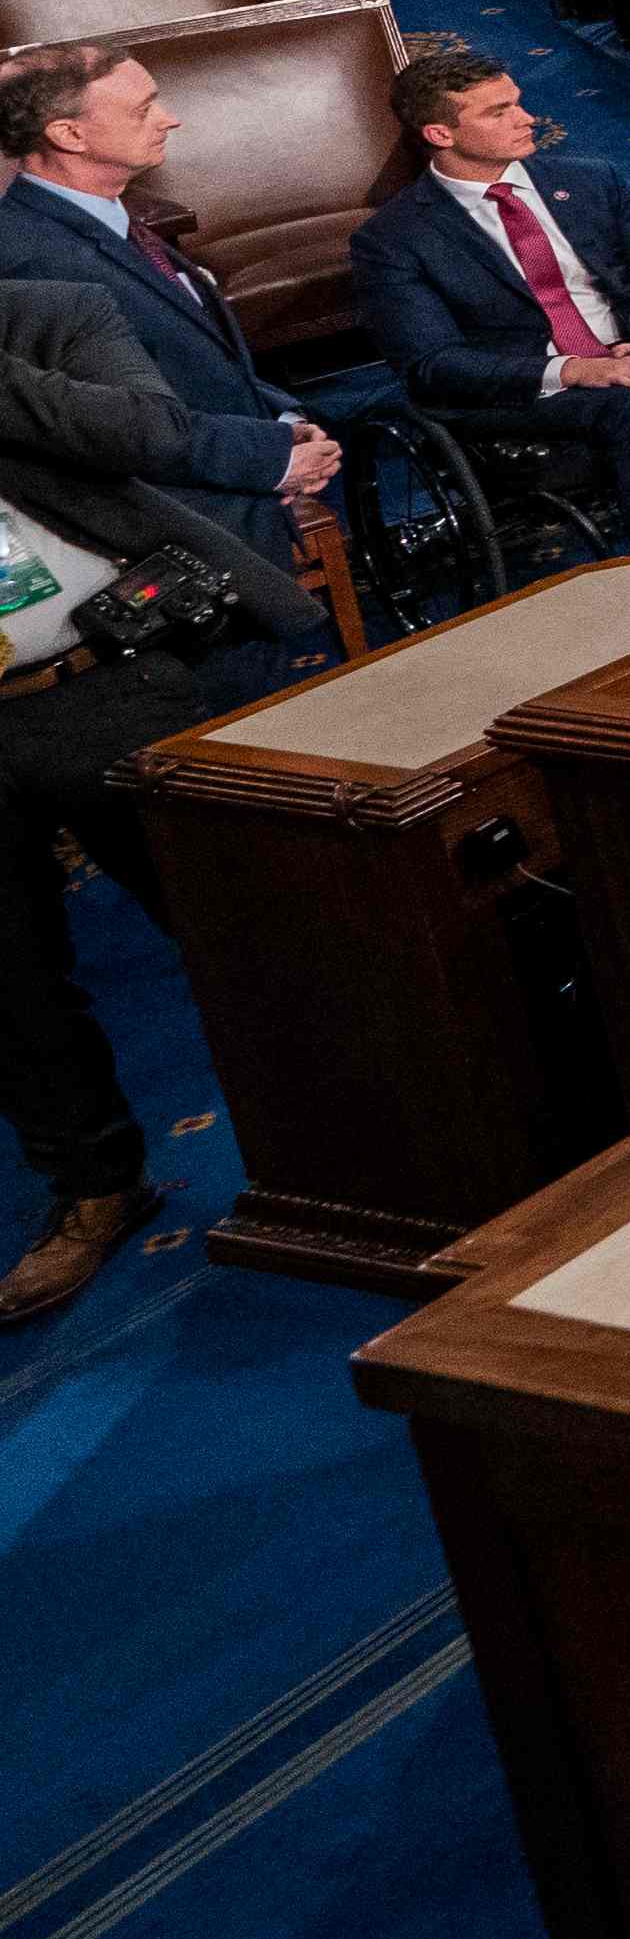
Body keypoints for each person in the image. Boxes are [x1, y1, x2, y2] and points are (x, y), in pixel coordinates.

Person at [0, 270, 326, 1328]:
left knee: (238, 931)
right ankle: (95, 1190)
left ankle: (350, 1149)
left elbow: (147, 431)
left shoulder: (51, 313)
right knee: (12, 987)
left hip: (100, 681)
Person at [349, 41, 630, 548]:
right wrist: (574, 370)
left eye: (519, 101)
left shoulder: (590, 180)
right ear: (440, 134)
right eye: (500, 112)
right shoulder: (394, 239)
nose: (527, 119)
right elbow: (431, 364)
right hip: (525, 388)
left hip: (625, 354)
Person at [0, 44, 345, 575]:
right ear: (69, 134)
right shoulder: (25, 257)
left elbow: (194, 356)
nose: (170, 119)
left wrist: (282, 420)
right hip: (181, 527)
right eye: (142, 110)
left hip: (233, 476)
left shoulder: (112, 215)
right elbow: (106, 428)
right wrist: (269, 459)